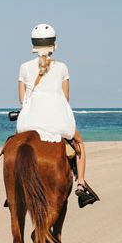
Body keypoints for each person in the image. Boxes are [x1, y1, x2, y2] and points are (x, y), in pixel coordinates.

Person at [16, 23, 97, 207]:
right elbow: (65, 98)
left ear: (34, 44)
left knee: (15, 146)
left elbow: (22, 99)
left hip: (28, 122)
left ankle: (13, 188)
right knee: (79, 144)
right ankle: (81, 184)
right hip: (56, 121)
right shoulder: (62, 67)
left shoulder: (24, 67)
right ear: (54, 44)